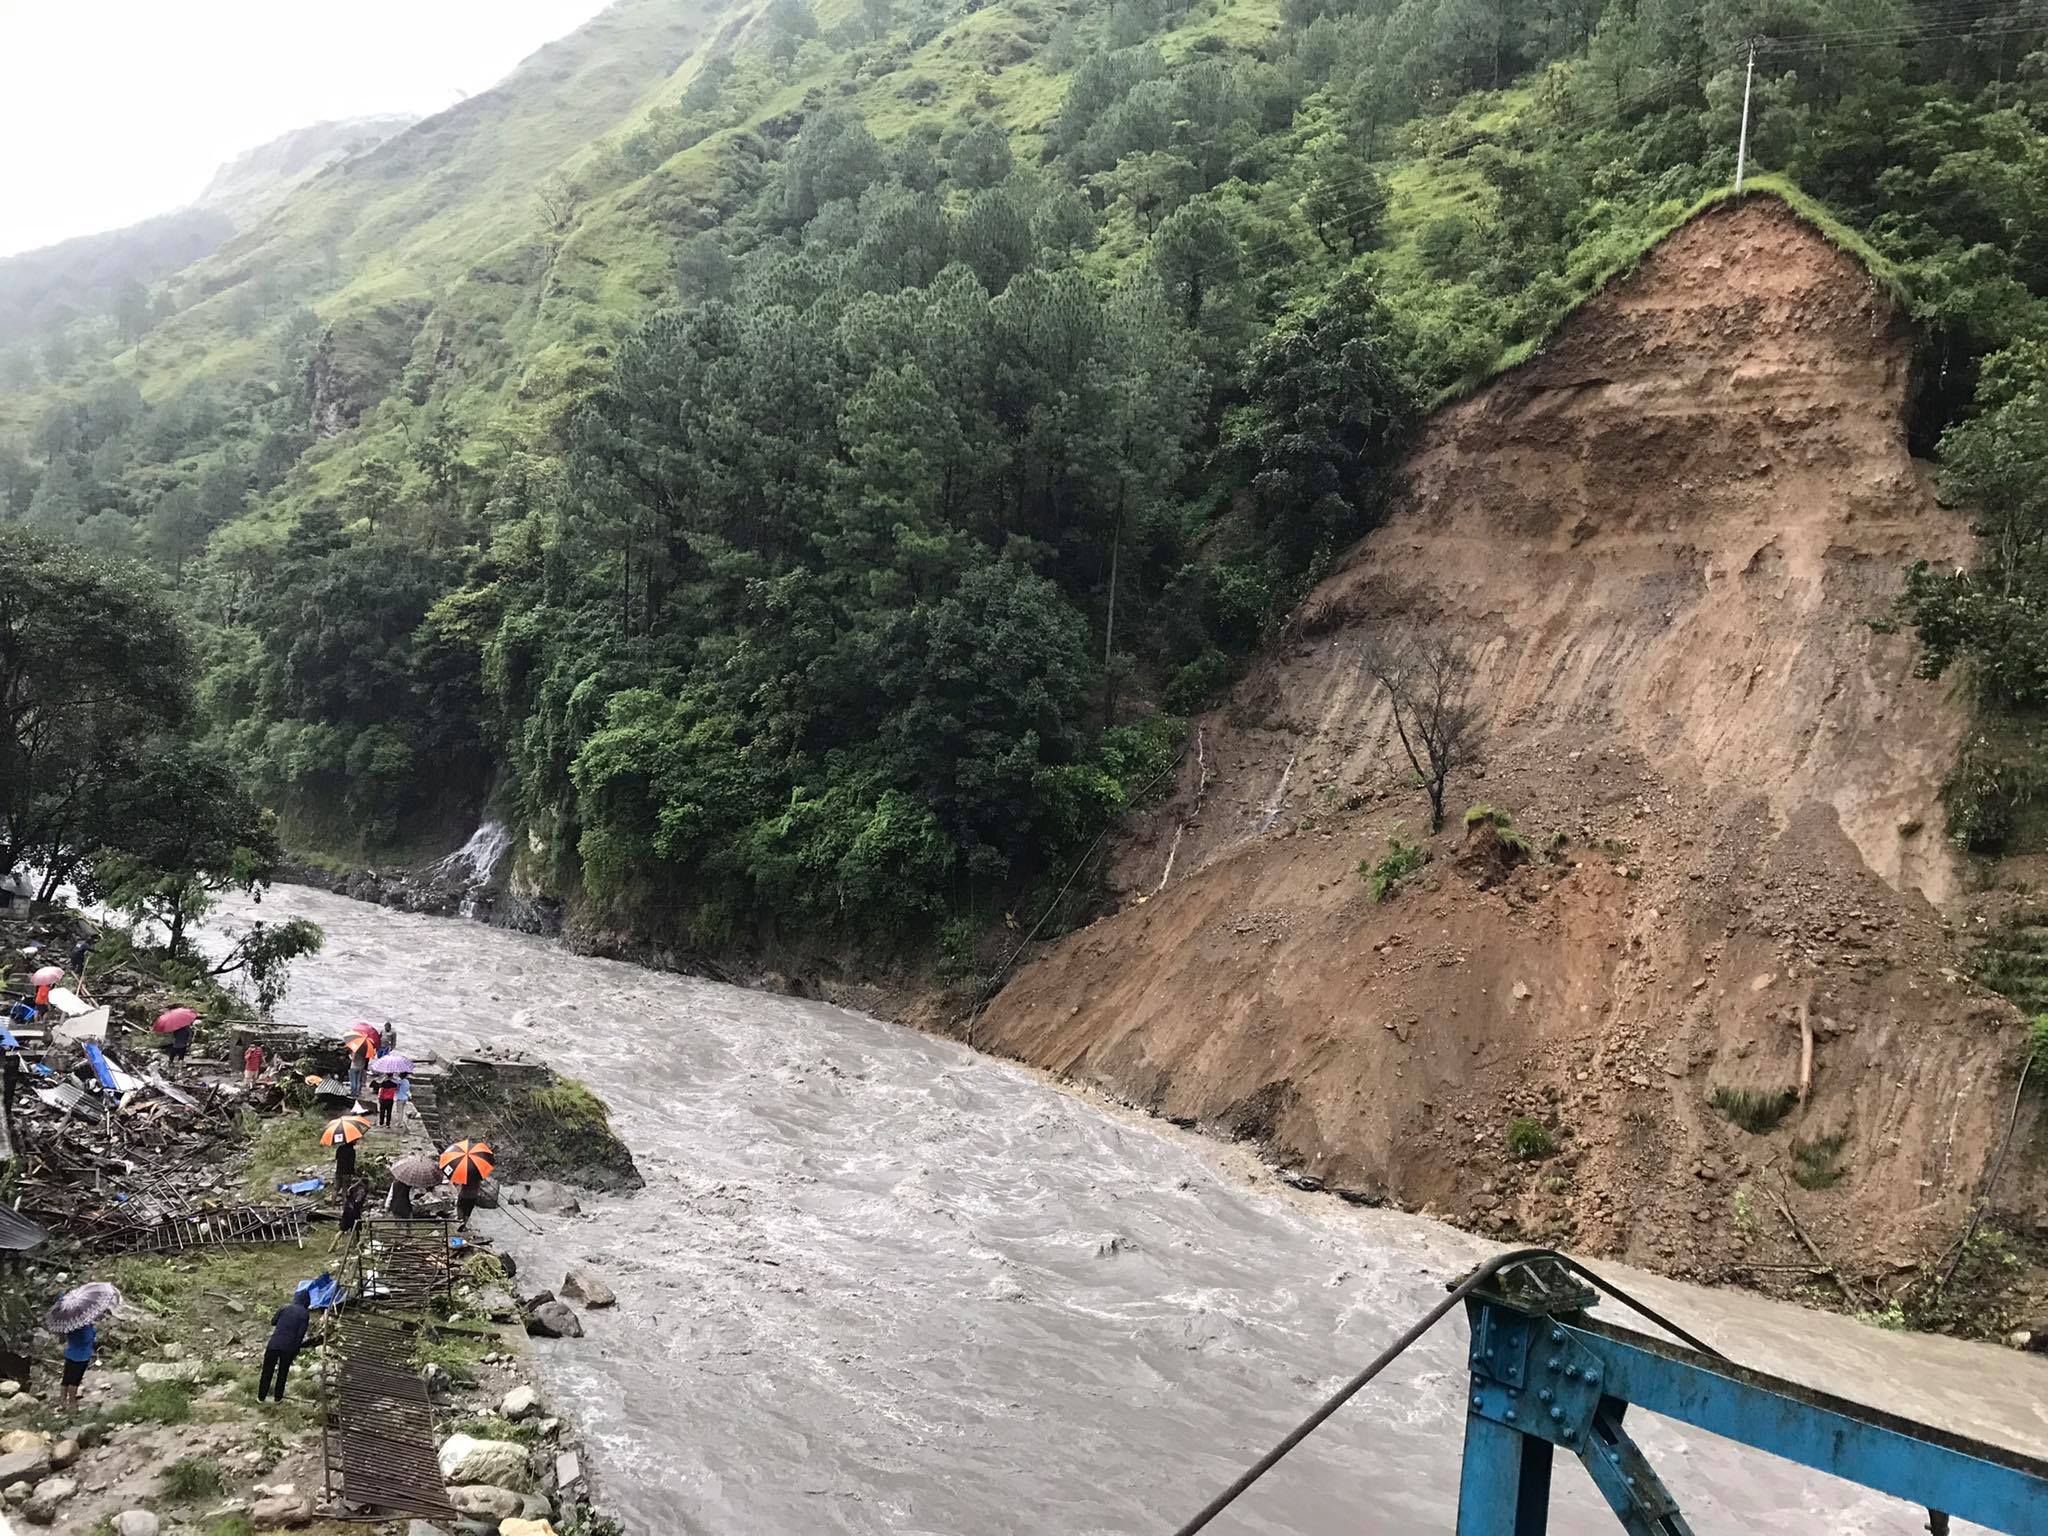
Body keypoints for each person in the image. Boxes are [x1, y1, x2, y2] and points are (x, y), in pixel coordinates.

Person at [260, 1288, 311, 1402]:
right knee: (282, 1373)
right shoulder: (304, 1314)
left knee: (267, 1371)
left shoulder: (284, 1307)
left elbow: (273, 1322)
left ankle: (261, 1397)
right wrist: (296, 1350)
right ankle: (277, 1398)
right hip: (288, 1348)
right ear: (307, 1301)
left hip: (273, 1344)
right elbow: (300, 1335)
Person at [59, 1321, 96, 1412]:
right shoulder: (84, 1326)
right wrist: (92, 1328)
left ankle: (62, 1402)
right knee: (74, 1381)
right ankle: (72, 1403)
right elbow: (88, 1338)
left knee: (66, 1379)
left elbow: (66, 1338)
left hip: (70, 1354)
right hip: (81, 1356)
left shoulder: (69, 1325)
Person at [329, 1176, 369, 1253]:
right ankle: (356, 1246)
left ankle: (332, 1247)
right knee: (356, 1229)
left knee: (342, 1230)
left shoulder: (353, 1188)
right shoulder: (365, 1190)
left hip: (347, 1210)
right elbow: (361, 1203)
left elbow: (347, 1194)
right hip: (355, 1212)